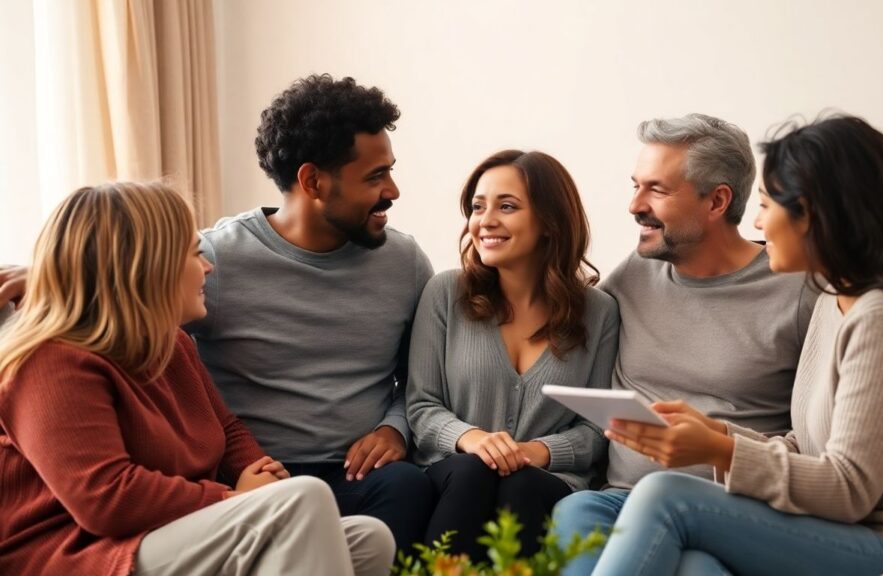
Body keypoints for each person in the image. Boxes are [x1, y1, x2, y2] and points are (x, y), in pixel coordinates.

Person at [590, 115, 883, 575]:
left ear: (814, 216)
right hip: (849, 529)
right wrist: (719, 434)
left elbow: (849, 488)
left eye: (766, 204)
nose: (756, 222)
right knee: (695, 567)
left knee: (665, 495)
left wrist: (719, 451)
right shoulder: (834, 298)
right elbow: (813, 447)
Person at [0, 182, 395, 576]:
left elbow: (226, 428)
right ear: (146, 267)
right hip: (79, 553)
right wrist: (230, 497)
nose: (208, 267)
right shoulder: (49, 362)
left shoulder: (172, 344)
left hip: (161, 534)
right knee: (302, 498)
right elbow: (105, 498)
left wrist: (259, 474)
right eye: (193, 254)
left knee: (368, 538)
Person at [552, 114, 817, 574]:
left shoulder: (797, 291)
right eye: (635, 186)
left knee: (697, 568)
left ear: (717, 201)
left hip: (729, 508)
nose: (634, 205)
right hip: (621, 499)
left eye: (657, 190)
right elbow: (561, 320)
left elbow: (816, 436)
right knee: (575, 509)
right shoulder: (637, 272)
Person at [184, 74, 434, 553]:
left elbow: (424, 379)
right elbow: (143, 327)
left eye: (390, 171)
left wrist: (395, 428)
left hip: (359, 476)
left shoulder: (404, 263)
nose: (393, 190)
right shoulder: (214, 260)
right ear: (312, 181)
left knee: (409, 485)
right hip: (254, 477)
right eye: (375, 177)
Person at [406, 150, 619, 561]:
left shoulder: (599, 312)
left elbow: (598, 428)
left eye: (507, 206)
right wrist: (474, 440)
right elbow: (421, 406)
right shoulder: (445, 293)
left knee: (524, 482)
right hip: (455, 472)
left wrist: (534, 452)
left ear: (550, 221)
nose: (485, 221)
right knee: (473, 471)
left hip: (545, 481)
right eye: (477, 207)